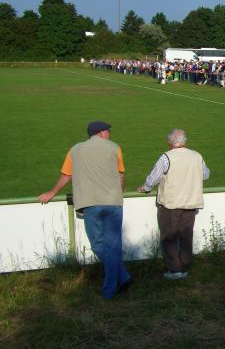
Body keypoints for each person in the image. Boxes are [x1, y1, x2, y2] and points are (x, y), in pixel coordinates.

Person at [38, 121, 132, 299]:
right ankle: (121, 278)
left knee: (97, 244)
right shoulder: (114, 148)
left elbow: (67, 174)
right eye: (108, 131)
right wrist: (120, 192)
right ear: (101, 133)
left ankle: (112, 287)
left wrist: (52, 192)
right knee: (113, 246)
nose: (109, 134)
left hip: (89, 203)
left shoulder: (75, 149)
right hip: (113, 202)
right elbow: (121, 174)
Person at [137, 129, 210, 280]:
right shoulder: (196, 156)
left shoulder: (166, 157)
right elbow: (206, 174)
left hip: (171, 204)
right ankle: (184, 266)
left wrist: (145, 188)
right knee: (186, 236)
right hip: (190, 204)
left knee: (169, 237)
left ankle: (175, 270)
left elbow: (153, 178)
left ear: (170, 142)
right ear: (185, 142)